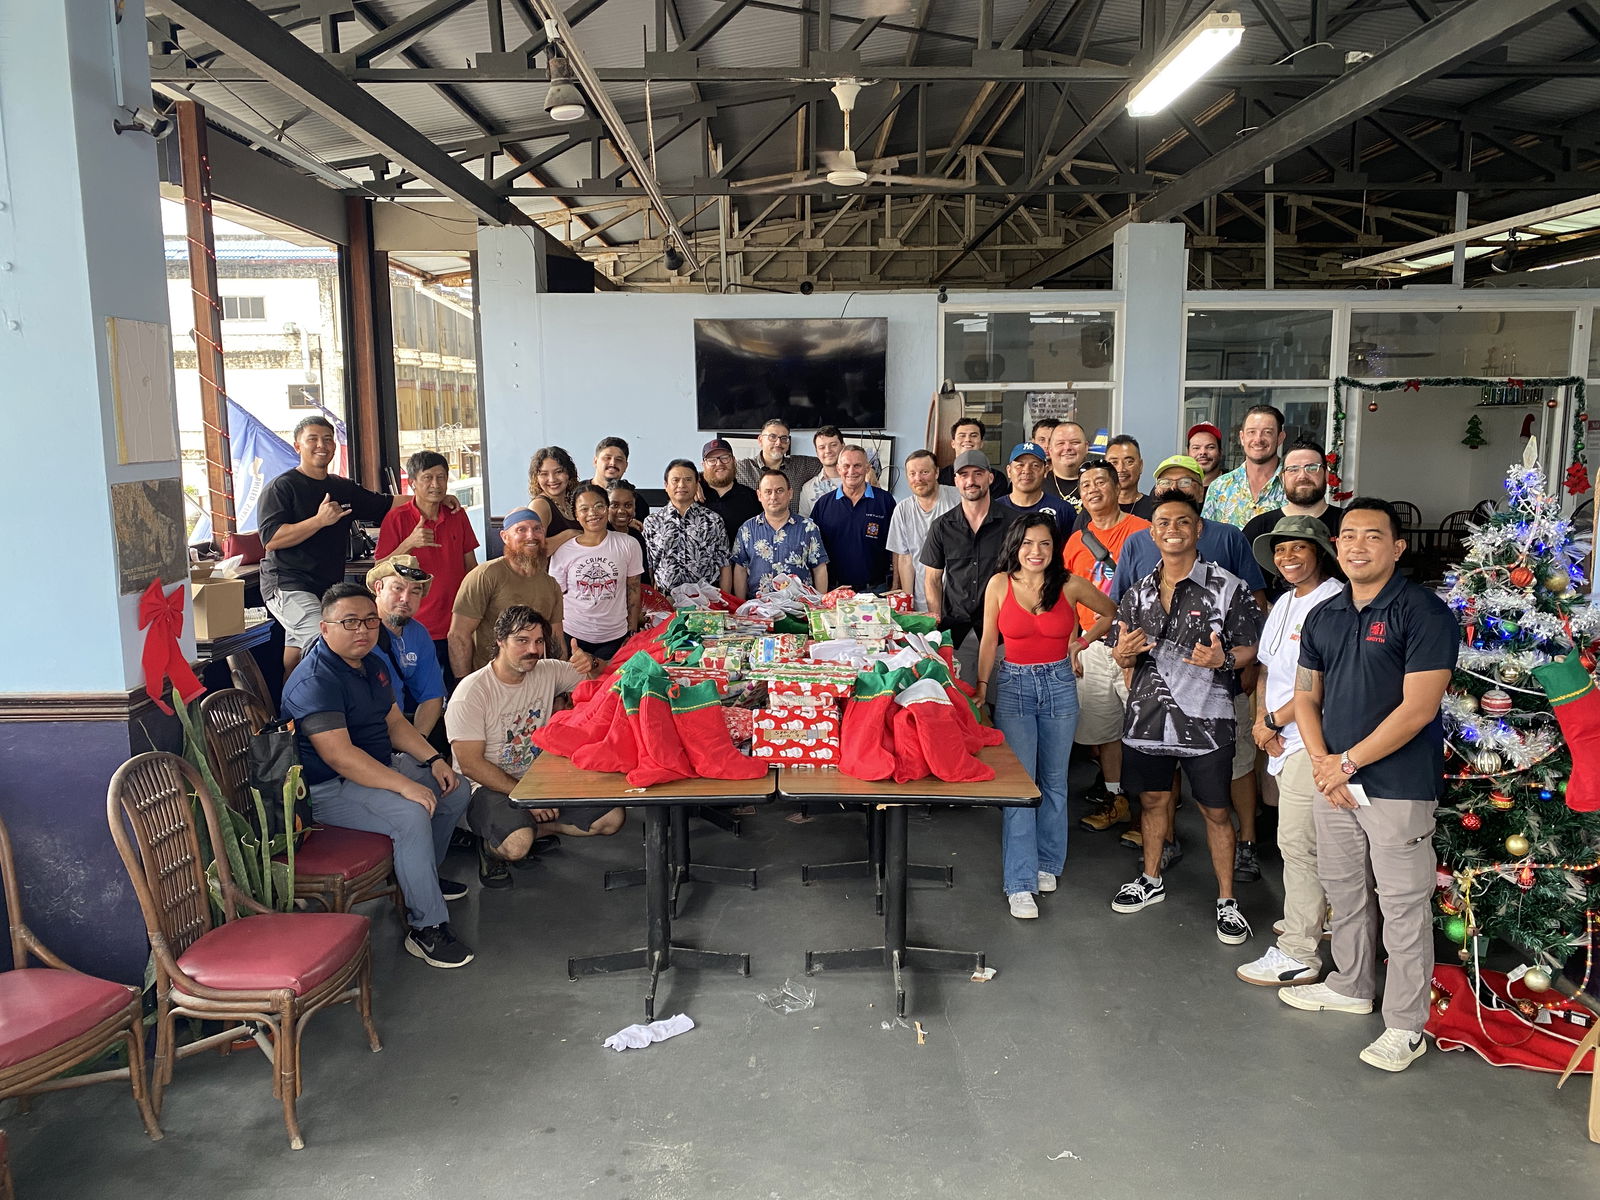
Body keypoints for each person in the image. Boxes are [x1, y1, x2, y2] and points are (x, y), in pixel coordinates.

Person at [1280, 498, 1458, 1073]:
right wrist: (1323, 761)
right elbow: (1307, 696)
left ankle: (1407, 1025)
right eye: (1348, 535)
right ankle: (1352, 985)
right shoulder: (1325, 616)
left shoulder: (1423, 613)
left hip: (1396, 786)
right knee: (1345, 888)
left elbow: (1419, 708)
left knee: (1403, 904)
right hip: (1337, 781)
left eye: (1372, 536)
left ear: (1397, 547)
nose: (1357, 546)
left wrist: (1346, 763)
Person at [281, 583, 474, 969]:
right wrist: (405, 786)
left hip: (377, 766)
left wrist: (434, 758)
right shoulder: (316, 680)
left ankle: (423, 882)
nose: (362, 631)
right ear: (324, 628)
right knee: (411, 813)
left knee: (454, 789)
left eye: (370, 621)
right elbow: (341, 758)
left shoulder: (372, 663)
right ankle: (427, 928)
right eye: (349, 622)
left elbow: (394, 723)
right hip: (326, 789)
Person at [1108, 492, 1263, 946]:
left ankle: (1227, 901)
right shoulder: (1137, 592)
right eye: (1162, 522)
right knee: (1154, 803)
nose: (1172, 528)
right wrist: (1120, 654)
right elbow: (1124, 651)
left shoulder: (1228, 586)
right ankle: (1151, 879)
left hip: (1209, 722)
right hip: (1147, 717)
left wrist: (1223, 659)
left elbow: (1250, 646)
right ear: (1151, 532)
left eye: (1183, 521)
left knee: (1215, 810)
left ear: (1198, 530)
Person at [977, 515, 1114, 919]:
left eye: (1045, 545)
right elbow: (989, 640)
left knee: (1055, 781)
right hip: (1014, 686)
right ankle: (1018, 882)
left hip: (1059, 684)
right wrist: (982, 688)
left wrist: (1081, 642)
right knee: (1022, 785)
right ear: (1015, 546)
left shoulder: (1070, 584)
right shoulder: (1000, 584)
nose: (1036, 552)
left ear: (1054, 550)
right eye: (1028, 544)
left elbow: (1109, 612)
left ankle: (1048, 863)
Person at [1236, 516, 1343, 987]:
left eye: (1299, 548)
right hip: (1279, 734)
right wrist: (1262, 721)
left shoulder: (1335, 602)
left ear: (1320, 551)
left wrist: (1275, 722)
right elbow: (1265, 670)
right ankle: (1317, 914)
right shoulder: (1282, 601)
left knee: (1297, 844)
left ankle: (1299, 950)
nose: (1288, 558)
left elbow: (1323, 682)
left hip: (1314, 738)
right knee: (1303, 839)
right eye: (1281, 550)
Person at [447, 606, 620, 890]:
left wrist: (591, 662)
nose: (533, 650)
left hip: (539, 779)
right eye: (522, 641)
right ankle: (492, 847)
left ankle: (529, 829)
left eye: (538, 642)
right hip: (487, 786)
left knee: (611, 819)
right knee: (516, 846)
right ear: (500, 641)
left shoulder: (547, 670)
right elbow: (470, 765)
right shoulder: (471, 693)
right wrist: (528, 798)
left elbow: (603, 682)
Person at [260, 415, 407, 674]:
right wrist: (319, 521)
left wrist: (433, 498)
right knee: (329, 643)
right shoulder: (282, 487)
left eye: (328, 439)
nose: (322, 445)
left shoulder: (342, 487)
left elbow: (384, 503)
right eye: (313, 439)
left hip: (327, 585)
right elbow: (271, 539)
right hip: (288, 584)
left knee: (295, 660)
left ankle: (291, 711)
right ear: (298, 446)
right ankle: (332, 710)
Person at [1063, 460, 1150, 835]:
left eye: (1101, 482)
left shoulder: (1144, 532)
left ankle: (1152, 816)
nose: (1093, 489)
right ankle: (1116, 799)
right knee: (1105, 731)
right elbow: (1064, 598)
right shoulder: (1075, 541)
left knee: (1147, 731)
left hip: (1138, 646)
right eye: (1085, 486)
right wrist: (1072, 645)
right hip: (1092, 646)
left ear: (1119, 487)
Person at [374, 450, 480, 687]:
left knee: (459, 692)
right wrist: (409, 543)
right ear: (412, 483)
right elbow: (378, 569)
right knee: (418, 694)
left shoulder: (456, 514)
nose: (436, 484)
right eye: (428, 478)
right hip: (416, 624)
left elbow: (470, 566)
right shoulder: (396, 518)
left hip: (457, 624)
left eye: (441, 477)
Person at [921, 449, 1011, 683]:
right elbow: (932, 579)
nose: (971, 481)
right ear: (956, 481)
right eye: (964, 475)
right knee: (964, 704)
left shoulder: (1013, 524)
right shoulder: (941, 526)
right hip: (956, 634)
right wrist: (936, 621)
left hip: (1003, 633)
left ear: (990, 478)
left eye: (978, 474)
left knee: (1002, 707)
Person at [449, 508, 566, 676]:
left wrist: (559, 688)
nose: (531, 535)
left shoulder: (551, 585)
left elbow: (556, 640)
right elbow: (458, 636)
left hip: (535, 683)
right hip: (489, 683)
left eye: (537, 529)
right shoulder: (485, 575)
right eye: (521, 529)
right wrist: (463, 684)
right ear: (505, 537)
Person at [549, 484, 643, 662]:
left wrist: (632, 632)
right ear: (576, 515)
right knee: (578, 689)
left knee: (609, 687)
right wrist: (559, 642)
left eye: (599, 506)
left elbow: (633, 589)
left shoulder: (628, 544)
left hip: (615, 637)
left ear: (607, 509)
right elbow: (555, 600)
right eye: (584, 509)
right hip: (574, 635)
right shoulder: (563, 550)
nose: (592, 513)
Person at [1241, 440, 1345, 601]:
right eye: (1293, 469)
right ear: (1283, 478)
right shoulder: (1258, 528)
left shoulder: (1347, 524)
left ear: (1326, 475)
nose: (1302, 476)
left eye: (1312, 468)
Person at [365, 557, 446, 741]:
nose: (405, 599)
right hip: (360, 738)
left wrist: (416, 744)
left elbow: (432, 696)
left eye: (415, 591)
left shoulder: (418, 634)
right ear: (378, 588)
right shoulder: (358, 631)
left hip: (398, 736)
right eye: (398, 588)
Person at [809, 444, 895, 591]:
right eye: (846, 466)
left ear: (867, 468)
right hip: (833, 591)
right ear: (839, 469)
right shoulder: (823, 504)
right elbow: (813, 551)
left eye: (857, 466)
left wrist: (896, 585)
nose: (851, 471)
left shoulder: (885, 501)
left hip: (875, 591)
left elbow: (897, 549)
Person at [731, 469, 829, 598]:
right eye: (768, 492)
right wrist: (741, 606)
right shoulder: (746, 529)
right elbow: (740, 570)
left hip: (798, 609)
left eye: (779, 490)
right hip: (758, 609)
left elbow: (819, 569)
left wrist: (820, 604)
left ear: (790, 493)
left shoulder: (808, 528)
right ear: (759, 495)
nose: (773, 497)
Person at [642, 459, 732, 593]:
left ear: (697, 485)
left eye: (688, 480)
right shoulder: (652, 522)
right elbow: (649, 567)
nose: (681, 485)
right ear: (666, 485)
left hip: (706, 602)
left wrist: (725, 601)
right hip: (666, 601)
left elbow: (724, 565)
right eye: (675, 480)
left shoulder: (713, 520)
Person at [887, 449, 958, 611]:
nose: (918, 478)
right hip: (921, 601)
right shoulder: (902, 510)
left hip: (957, 601)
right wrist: (908, 602)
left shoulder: (957, 499)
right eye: (912, 474)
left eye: (924, 472)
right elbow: (905, 560)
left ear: (936, 473)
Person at [1204, 405, 1288, 528]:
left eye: (1267, 432)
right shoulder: (1219, 487)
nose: (1258, 439)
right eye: (1251, 432)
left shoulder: (1294, 484)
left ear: (1280, 438)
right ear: (1242, 438)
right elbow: (1207, 539)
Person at [735, 418, 821, 506]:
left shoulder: (801, 466)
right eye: (772, 437)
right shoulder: (742, 468)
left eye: (784, 438)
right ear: (760, 440)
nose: (778, 443)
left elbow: (827, 462)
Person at [994, 442, 1074, 527]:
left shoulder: (1062, 509)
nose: (1027, 471)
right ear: (1009, 471)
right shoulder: (994, 509)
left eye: (1035, 465)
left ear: (1045, 471)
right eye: (1020, 465)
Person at [699, 439, 761, 546]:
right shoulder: (692, 497)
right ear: (703, 465)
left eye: (725, 458)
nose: (719, 463)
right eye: (712, 460)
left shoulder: (752, 498)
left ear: (734, 460)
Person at [528, 446, 582, 552]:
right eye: (544, 474)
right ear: (536, 478)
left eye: (558, 472)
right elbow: (534, 549)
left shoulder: (572, 501)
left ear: (569, 473)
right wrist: (569, 534)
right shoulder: (540, 505)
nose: (552, 479)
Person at [937, 417, 1009, 496]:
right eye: (962, 436)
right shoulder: (940, 478)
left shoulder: (997, 479)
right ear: (953, 443)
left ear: (981, 443)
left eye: (974, 435)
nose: (968, 439)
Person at [606, 479, 652, 585]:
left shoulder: (637, 537)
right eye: (615, 505)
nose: (621, 511)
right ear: (605, 507)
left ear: (635, 508)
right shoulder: (599, 536)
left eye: (628, 505)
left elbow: (644, 580)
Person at [1104, 435, 1157, 520]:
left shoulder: (1156, 509)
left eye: (1129, 462)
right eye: (1114, 463)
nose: (1121, 469)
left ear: (1140, 466)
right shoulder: (1096, 508)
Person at [799, 425, 847, 514]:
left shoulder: (859, 480)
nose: (828, 450)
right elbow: (804, 523)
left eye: (833, 445)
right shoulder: (808, 489)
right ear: (817, 452)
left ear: (843, 447)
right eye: (822, 447)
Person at [1045, 420, 1089, 512]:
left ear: (1086, 447)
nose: (1068, 448)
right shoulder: (1037, 486)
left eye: (1075, 442)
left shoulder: (1100, 486)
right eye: (1060, 443)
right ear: (1050, 449)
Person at [1187, 422, 1226, 488]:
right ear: (1188, 453)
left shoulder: (1234, 486)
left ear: (1220, 452)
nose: (1203, 452)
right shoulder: (1180, 487)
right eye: (1196, 448)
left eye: (1210, 447)